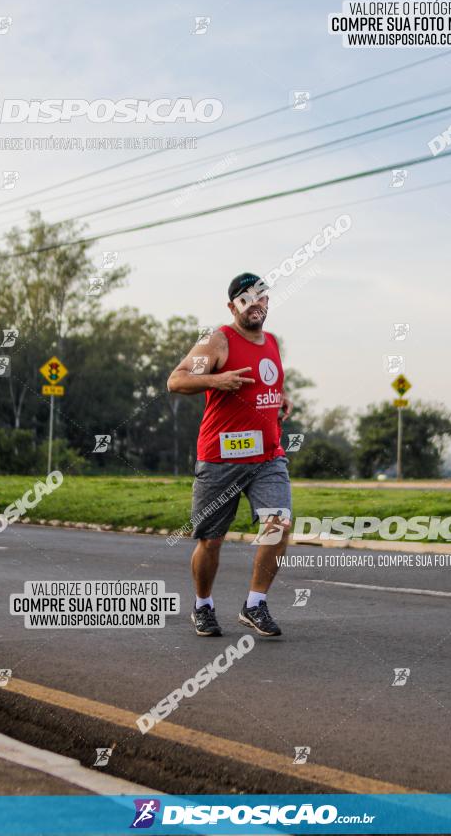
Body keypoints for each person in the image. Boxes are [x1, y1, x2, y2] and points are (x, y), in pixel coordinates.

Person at [167, 273, 293, 638]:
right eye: (245, 299)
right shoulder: (218, 341)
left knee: (279, 524)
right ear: (232, 306)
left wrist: (282, 398)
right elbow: (176, 380)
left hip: (268, 456)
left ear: (268, 302)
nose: (255, 304)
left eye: (261, 297)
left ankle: (255, 604)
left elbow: (268, 383)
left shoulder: (270, 342)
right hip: (221, 457)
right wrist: (215, 380)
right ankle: (203, 605)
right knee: (211, 539)